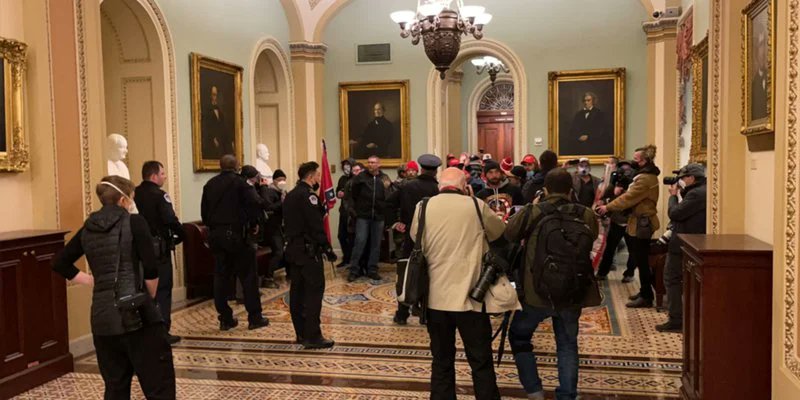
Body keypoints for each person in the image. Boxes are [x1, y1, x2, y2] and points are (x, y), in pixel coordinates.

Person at [52, 175, 175, 399]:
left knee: (115, 386)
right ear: (122, 200)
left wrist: (90, 280)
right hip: (137, 315)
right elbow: (151, 269)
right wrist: (150, 298)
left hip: (102, 318)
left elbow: (60, 262)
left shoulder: (88, 227)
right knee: (159, 384)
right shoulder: (135, 222)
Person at [505, 168, 601, 400]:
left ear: (545, 189)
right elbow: (593, 237)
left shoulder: (533, 211)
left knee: (519, 336)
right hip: (572, 291)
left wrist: (534, 204)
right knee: (567, 345)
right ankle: (567, 395)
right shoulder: (586, 214)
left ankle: (534, 389)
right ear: (571, 190)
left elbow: (509, 233)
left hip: (536, 292)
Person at [409, 167, 505, 400]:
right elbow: (499, 231)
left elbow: (415, 238)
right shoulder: (476, 206)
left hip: (435, 299)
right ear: (464, 186)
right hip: (472, 297)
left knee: (441, 359)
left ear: (439, 185)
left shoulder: (423, 207)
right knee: (480, 360)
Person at [201, 155, 270, 331]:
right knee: (248, 277)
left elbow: (204, 213)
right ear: (237, 167)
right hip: (238, 236)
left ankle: (225, 318)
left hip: (216, 236)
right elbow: (256, 204)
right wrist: (254, 224)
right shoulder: (241, 183)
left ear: (220, 166)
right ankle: (254, 317)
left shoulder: (210, 185)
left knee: (221, 277)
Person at [597, 145, 661, 308]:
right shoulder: (644, 175)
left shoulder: (645, 179)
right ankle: (644, 291)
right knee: (640, 258)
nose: (633, 161)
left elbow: (628, 198)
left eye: (636, 159)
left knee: (641, 259)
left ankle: (646, 296)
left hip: (642, 223)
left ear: (644, 161)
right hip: (637, 221)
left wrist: (608, 207)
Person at [283, 161, 338, 349]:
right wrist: (327, 248)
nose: (319, 179)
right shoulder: (308, 197)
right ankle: (313, 336)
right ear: (310, 176)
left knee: (297, 294)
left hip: (293, 250)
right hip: (308, 252)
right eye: (318, 176)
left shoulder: (290, 195)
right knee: (313, 294)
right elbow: (315, 226)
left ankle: (300, 332)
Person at [134, 161, 186, 345]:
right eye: (162, 173)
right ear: (154, 176)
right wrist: (182, 233)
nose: (164, 176)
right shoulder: (160, 195)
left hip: (138, 250)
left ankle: (146, 328)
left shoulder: (134, 194)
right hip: (158, 250)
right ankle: (162, 330)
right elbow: (170, 219)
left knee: (143, 289)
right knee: (163, 289)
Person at [385, 154, 441, 325]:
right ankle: (425, 312)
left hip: (411, 236)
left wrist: (395, 223)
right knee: (432, 274)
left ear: (421, 169)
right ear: (436, 171)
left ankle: (402, 314)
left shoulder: (407, 187)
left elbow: (388, 203)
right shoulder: (439, 189)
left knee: (408, 273)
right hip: (435, 238)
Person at [657, 163, 707, 333]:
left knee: (671, 279)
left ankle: (676, 319)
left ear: (691, 178)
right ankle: (680, 316)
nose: (679, 181)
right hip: (688, 241)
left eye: (682, 177)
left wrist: (673, 196)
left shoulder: (696, 194)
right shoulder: (699, 191)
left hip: (683, 244)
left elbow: (675, 213)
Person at [346, 156, 389, 282]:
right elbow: (353, 195)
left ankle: (372, 269)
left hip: (379, 216)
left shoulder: (384, 178)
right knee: (360, 241)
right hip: (363, 216)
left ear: (379, 164)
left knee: (376, 244)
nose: (370, 164)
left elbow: (389, 195)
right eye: (369, 162)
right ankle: (354, 269)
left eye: (373, 162)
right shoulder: (360, 178)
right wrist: (355, 211)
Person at [595, 160, 637, 282]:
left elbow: (633, 200)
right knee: (609, 248)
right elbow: (603, 198)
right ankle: (602, 272)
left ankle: (629, 273)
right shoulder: (614, 184)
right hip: (617, 221)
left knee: (633, 250)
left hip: (631, 221)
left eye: (627, 169)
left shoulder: (636, 184)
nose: (625, 172)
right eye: (622, 169)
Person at [258, 169, 287, 289]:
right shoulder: (268, 192)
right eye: (279, 180)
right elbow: (269, 208)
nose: (282, 182)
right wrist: (282, 202)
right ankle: (268, 278)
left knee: (282, 251)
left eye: (284, 180)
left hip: (280, 226)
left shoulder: (283, 192)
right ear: (274, 180)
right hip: (271, 228)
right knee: (278, 252)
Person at [563, 92, 612, 156]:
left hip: (594, 145)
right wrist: (578, 136)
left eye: (588, 100)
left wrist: (588, 137)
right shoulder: (578, 114)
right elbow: (573, 129)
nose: (586, 102)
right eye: (584, 100)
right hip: (579, 146)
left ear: (593, 101)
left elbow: (601, 131)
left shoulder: (600, 114)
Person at [202, 86, 234, 160]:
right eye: (213, 94)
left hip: (221, 139)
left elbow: (224, 126)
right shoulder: (206, 109)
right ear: (209, 95)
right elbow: (206, 127)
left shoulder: (219, 109)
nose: (215, 97)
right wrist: (213, 138)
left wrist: (231, 140)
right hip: (212, 140)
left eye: (216, 94)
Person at [336, 158, 356, 268]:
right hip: (343, 211)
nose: (346, 167)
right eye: (344, 165)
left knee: (352, 236)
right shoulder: (342, 179)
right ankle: (346, 258)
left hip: (352, 213)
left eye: (348, 165)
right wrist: (338, 193)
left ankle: (353, 260)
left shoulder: (356, 179)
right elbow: (338, 190)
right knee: (341, 235)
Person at [751, 30, 769, 121]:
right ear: (756, 52)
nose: (765, 51)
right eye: (762, 45)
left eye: (767, 45)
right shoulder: (752, 85)